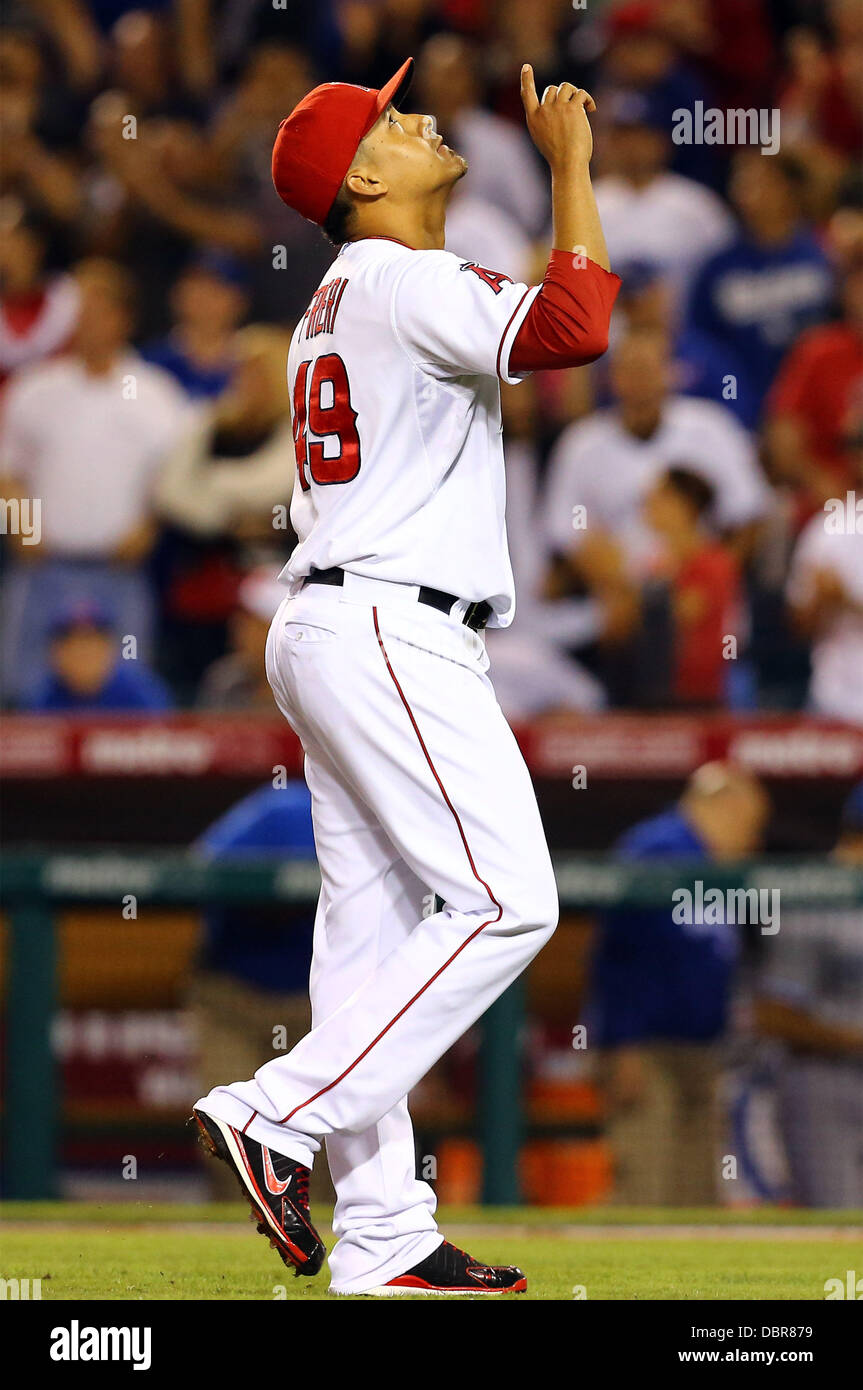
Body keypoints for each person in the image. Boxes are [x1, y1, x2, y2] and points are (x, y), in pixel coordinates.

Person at [193, 57, 620, 1297]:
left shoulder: (337, 296)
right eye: (389, 118)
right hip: (387, 626)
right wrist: (570, 167)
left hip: (332, 622)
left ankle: (382, 1238)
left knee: (371, 928)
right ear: (364, 177)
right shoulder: (400, 277)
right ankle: (277, 1110)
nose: (418, 115)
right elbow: (573, 327)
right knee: (507, 900)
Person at [0, 257, 188, 704]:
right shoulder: (35, 387)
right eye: (78, 309)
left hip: (120, 571)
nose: (85, 320)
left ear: (123, 317)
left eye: (97, 308)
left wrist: (150, 526)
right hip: (44, 569)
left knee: (127, 696)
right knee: (25, 694)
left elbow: (178, 476)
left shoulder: (154, 392)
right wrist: (24, 530)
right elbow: (9, 472)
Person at [588, 763, 770, 1206]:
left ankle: (689, 1281)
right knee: (646, 1187)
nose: (752, 842)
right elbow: (616, 956)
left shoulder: (712, 860)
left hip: (699, 1048)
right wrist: (622, 1045)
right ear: (724, 807)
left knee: (697, 1192)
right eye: (750, 825)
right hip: (646, 1051)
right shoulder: (654, 849)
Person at [189, 780, 319, 1202]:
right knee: (228, 1138)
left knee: (336, 1152)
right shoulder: (281, 809)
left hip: (324, 1014)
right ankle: (237, 1246)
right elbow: (198, 870)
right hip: (236, 1002)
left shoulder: (381, 814)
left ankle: (338, 1253)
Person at [754, 783, 863, 1207]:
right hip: (824, 1081)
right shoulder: (819, 894)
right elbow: (773, 1014)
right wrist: (853, 1039)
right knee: (837, 1222)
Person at [643, 468, 742, 708]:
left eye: (658, 497)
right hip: (655, 691)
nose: (647, 504)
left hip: (697, 699)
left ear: (682, 506)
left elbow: (681, 615)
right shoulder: (656, 563)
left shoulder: (714, 563)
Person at [23, 599, 173, 713]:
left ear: (111, 649)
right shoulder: (43, 696)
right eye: (73, 645)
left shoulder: (139, 691)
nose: (83, 653)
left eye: (92, 644)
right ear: (54, 653)